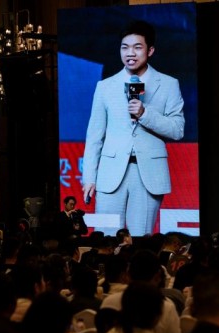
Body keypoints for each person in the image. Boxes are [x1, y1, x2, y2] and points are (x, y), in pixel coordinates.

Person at [82, 20, 185, 236]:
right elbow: (94, 137)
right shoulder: (105, 86)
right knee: (106, 239)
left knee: (141, 240)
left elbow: (177, 129)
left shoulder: (168, 84)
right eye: (125, 47)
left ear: (150, 50)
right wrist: (89, 177)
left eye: (137, 47)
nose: (130, 53)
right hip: (111, 174)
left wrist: (145, 114)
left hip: (148, 175)